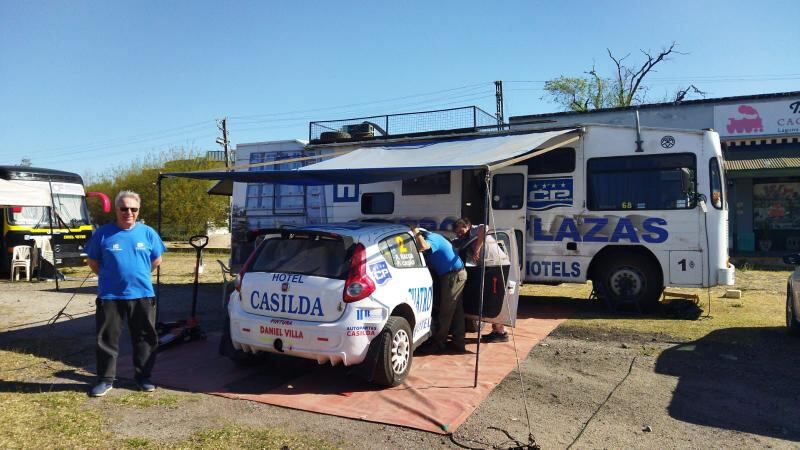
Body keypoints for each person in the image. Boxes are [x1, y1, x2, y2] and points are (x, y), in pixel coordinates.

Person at [85, 191, 166, 397]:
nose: (128, 212)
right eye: (124, 208)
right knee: (106, 339)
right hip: (110, 297)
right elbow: (93, 262)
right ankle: (105, 380)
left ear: (138, 211)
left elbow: (156, 260)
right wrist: (110, 278)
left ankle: (143, 377)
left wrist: (139, 276)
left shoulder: (148, 233)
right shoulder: (103, 233)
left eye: (133, 209)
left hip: (142, 295)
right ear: (116, 210)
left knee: (145, 338)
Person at [453, 217, 509, 343]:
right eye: (457, 233)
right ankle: (497, 331)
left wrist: (477, 248)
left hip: (496, 265)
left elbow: (485, 228)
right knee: (490, 300)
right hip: (487, 267)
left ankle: (502, 332)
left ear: (467, 226)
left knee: (495, 298)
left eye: (461, 231)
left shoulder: (475, 230)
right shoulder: (465, 238)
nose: (459, 234)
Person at [412, 227, 467, 353]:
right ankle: (458, 342)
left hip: (453, 275)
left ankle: (439, 343)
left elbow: (423, 247)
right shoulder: (436, 238)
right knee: (456, 310)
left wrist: (416, 233)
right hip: (455, 274)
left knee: (446, 311)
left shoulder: (432, 238)